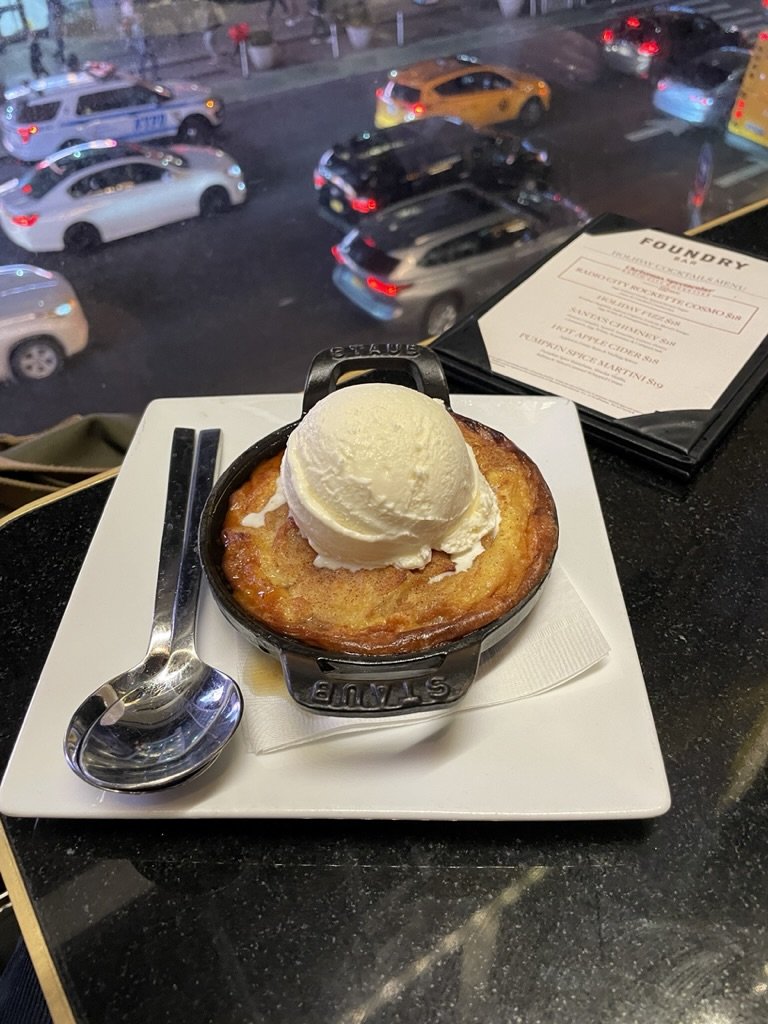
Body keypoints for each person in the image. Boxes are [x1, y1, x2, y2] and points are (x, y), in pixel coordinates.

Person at [202, 0, 226, 65]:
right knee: (212, 42)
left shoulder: (212, 7)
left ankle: (215, 57)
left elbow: (220, 17)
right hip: (211, 27)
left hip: (212, 27)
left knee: (208, 42)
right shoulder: (207, 7)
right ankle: (217, 55)